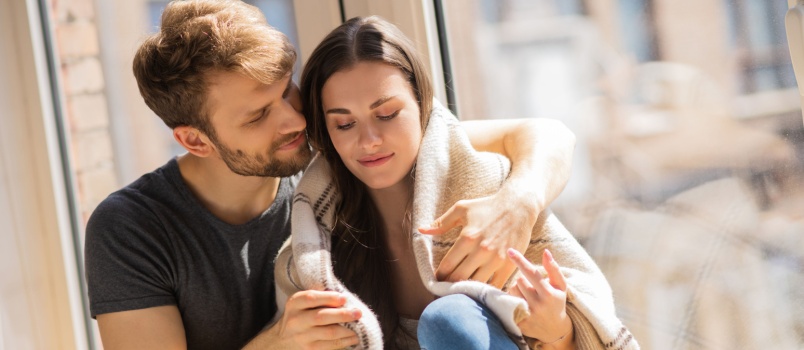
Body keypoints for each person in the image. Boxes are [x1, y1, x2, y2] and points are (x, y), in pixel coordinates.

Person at [83, 1, 577, 349]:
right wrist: (280, 345)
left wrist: (520, 201)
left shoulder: (336, 159)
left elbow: (544, 134)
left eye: (286, 90)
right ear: (195, 140)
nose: (295, 120)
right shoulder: (131, 228)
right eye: (257, 117)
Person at [275, 16, 639, 350]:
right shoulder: (319, 248)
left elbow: (553, 135)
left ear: (422, 106)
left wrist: (558, 330)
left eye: (386, 114)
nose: (369, 140)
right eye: (345, 124)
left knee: (449, 320)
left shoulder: (489, 194)